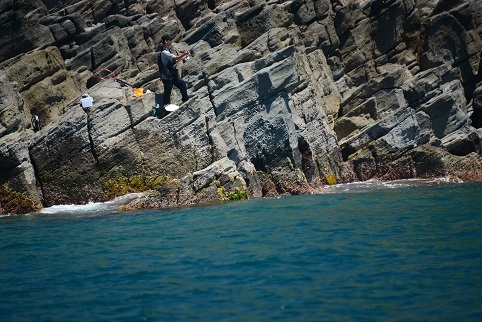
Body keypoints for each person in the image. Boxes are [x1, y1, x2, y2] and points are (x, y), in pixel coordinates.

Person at [158, 34, 191, 106]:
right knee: (168, 92)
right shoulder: (164, 52)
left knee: (182, 83)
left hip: (173, 73)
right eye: (170, 40)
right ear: (166, 41)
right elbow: (175, 58)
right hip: (167, 76)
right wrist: (184, 54)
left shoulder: (168, 50)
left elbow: (173, 60)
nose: (171, 41)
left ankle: (185, 99)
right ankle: (166, 107)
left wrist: (183, 57)